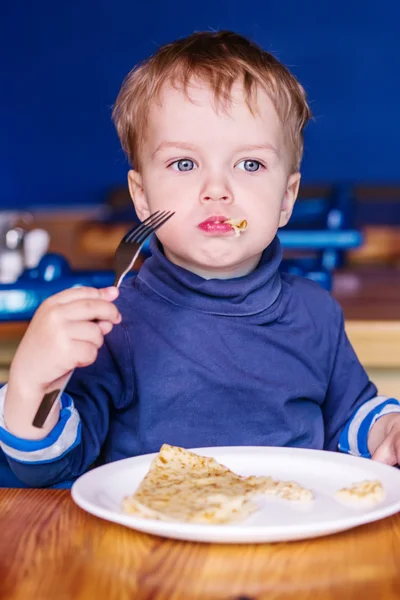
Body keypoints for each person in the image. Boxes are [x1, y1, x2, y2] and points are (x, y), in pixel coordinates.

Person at [1, 31, 399, 487]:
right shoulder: (114, 325)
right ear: (143, 197)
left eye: (249, 165)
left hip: (291, 547)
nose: (217, 189)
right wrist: (32, 384)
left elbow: (352, 420)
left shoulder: (317, 314)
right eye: (185, 164)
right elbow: (51, 467)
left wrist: (388, 430)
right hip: (154, 553)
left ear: (286, 198)